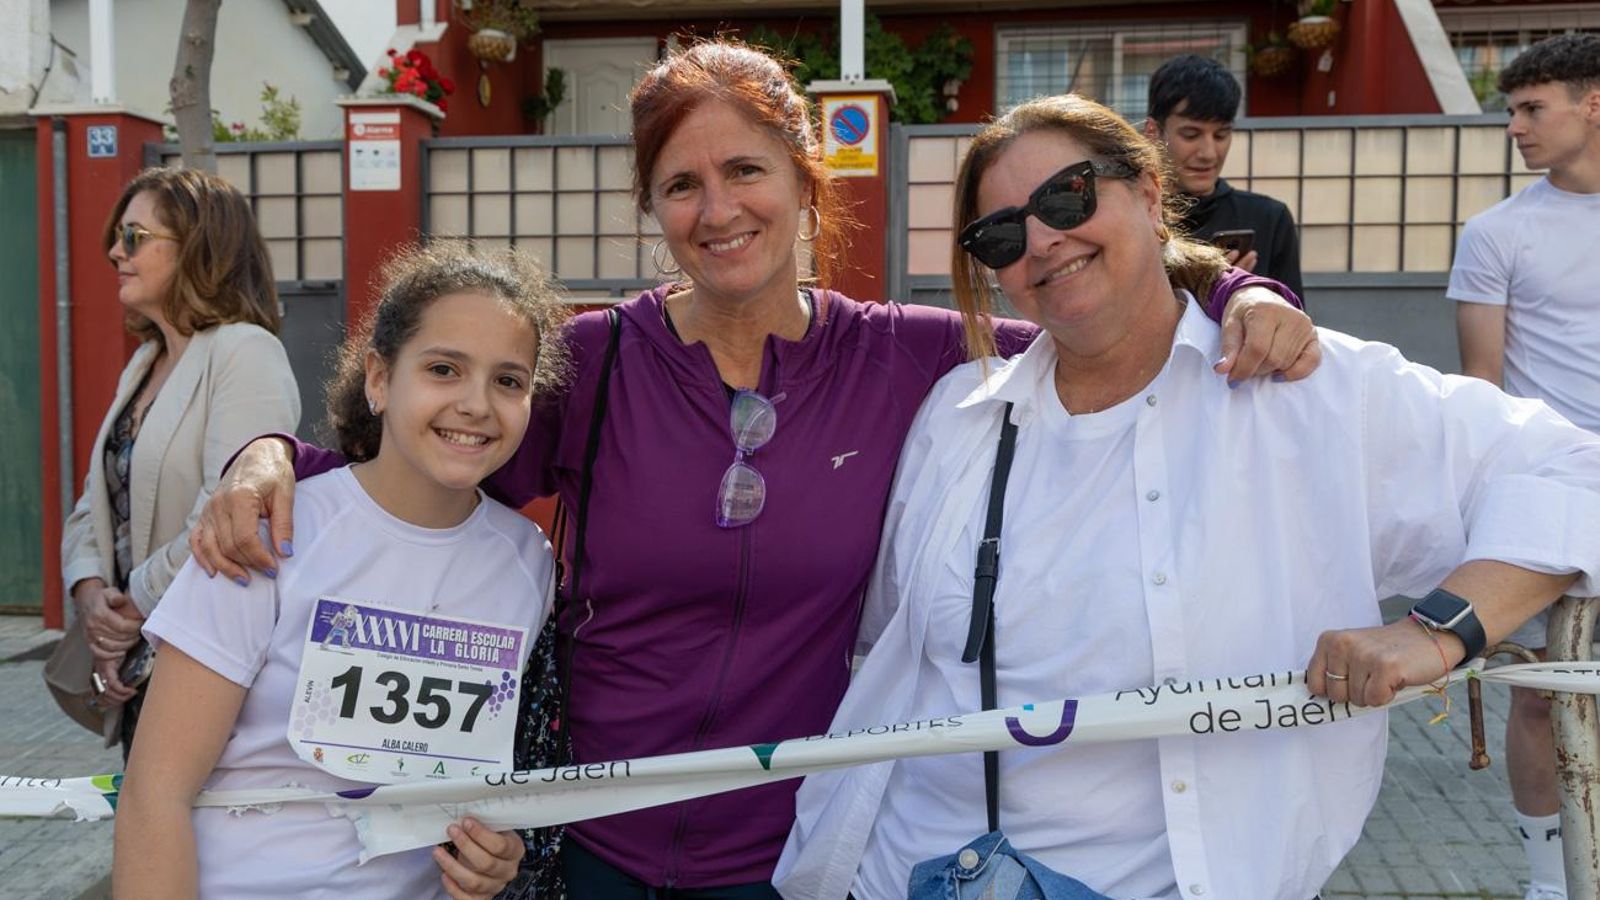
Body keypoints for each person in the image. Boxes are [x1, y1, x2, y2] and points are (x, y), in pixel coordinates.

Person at [187, 40, 1318, 898]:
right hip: (596, 847)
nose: (717, 209)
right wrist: (270, 454)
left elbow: (1103, 320)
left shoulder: (906, 354)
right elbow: (423, 456)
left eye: (744, 170)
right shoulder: (593, 360)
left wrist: (1235, 290)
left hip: (807, 852)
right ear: (654, 212)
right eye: (681, 186)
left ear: (805, 180)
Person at [775, 93, 1600, 900]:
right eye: (1001, 235)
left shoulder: (1305, 392)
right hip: (912, 870)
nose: (1043, 241)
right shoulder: (961, 416)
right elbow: (893, 645)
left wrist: (1439, 628)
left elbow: (1573, 469)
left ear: (1147, 191)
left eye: (1068, 196)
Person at [113, 244, 566, 899]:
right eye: (444, 369)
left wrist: (494, 859)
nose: (476, 404)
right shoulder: (269, 532)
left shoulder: (527, 563)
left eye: (508, 381)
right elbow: (155, 792)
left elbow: (478, 787)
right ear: (379, 380)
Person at [44, 167, 301, 758]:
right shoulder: (146, 361)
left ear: (199, 248)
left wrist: (132, 605)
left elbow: (232, 512)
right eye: (118, 236)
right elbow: (95, 500)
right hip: (138, 656)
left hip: (200, 660)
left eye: (134, 237)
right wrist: (90, 595)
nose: (115, 251)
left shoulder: (246, 351)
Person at [1449, 33, 1600, 900]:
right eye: (1511, 109)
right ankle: (1552, 880)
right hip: (1550, 493)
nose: (1516, 125)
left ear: (1592, 105)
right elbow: (1480, 389)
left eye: (1532, 107)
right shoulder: (1496, 231)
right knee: (1541, 696)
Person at [1144, 54, 1305, 302]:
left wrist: (1246, 295)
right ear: (1154, 132)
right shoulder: (1134, 216)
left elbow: (1295, 322)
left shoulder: (1269, 219)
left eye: (1221, 135)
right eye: (1190, 135)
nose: (1209, 154)